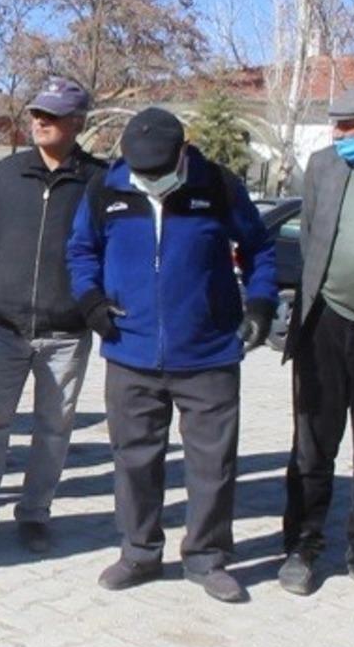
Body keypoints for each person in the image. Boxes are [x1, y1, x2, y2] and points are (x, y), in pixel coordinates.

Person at [67, 107, 277, 603]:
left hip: (208, 352)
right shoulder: (106, 190)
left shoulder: (217, 186)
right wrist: (91, 301)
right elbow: (80, 250)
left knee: (212, 463)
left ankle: (206, 557)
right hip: (130, 350)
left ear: (183, 152)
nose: (150, 179)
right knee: (134, 460)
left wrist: (261, 304)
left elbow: (259, 248)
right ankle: (139, 551)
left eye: (159, 170)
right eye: (141, 170)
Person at [0, 78, 107, 560]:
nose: (40, 121)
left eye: (52, 115)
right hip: (9, 330)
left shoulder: (98, 180)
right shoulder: (8, 172)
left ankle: (35, 514)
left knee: (54, 431)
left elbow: (111, 247)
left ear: (77, 122)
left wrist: (92, 301)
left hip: (67, 334)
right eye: (36, 113)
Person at [281, 79, 354, 602]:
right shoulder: (324, 167)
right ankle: (302, 547)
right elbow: (311, 241)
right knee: (312, 445)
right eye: (334, 124)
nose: (337, 134)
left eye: (347, 125)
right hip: (325, 322)